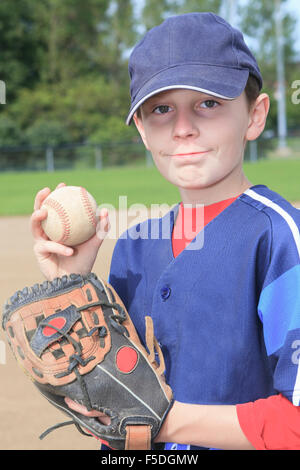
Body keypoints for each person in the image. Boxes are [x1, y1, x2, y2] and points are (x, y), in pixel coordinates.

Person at [31, 12, 300, 450]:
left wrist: (159, 422)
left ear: (255, 114)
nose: (183, 127)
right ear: (141, 128)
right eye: (161, 109)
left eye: (209, 102)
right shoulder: (134, 249)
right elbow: (117, 413)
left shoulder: (281, 240)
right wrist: (74, 284)